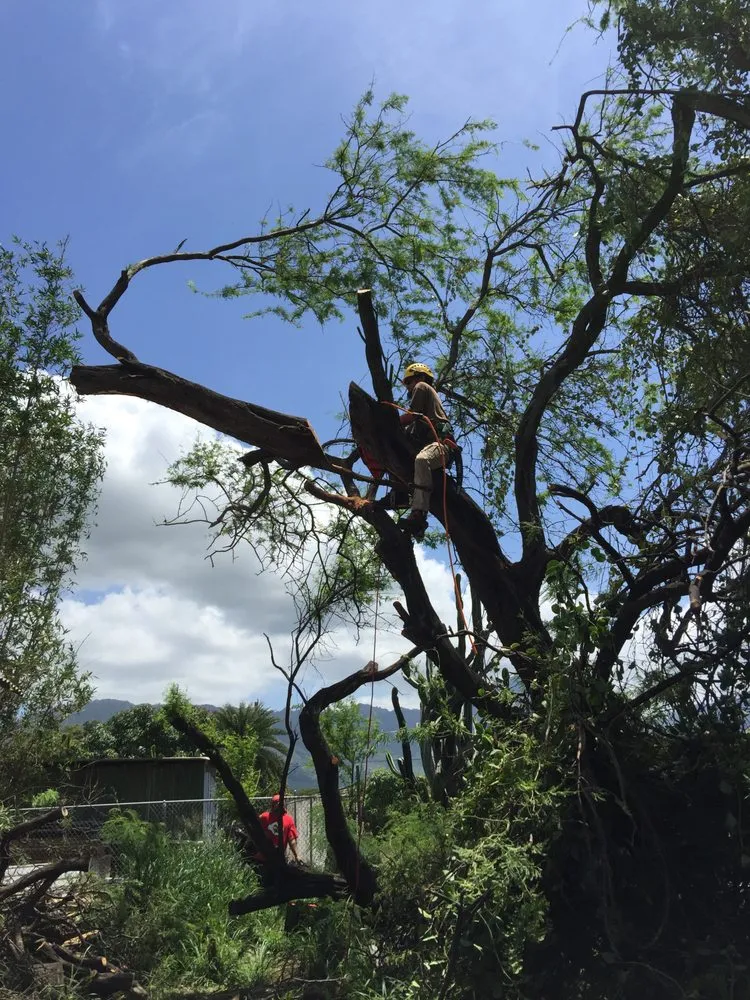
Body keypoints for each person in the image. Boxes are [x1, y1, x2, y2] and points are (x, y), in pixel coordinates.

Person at [398, 363, 454, 540]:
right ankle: (400, 498)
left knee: (422, 460)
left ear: (420, 378)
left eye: (409, 382)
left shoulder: (422, 387)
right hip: (430, 446)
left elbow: (410, 416)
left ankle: (419, 514)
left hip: (440, 446)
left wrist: (387, 420)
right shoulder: (423, 414)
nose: (408, 387)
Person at [258, 794, 301, 864]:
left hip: (278, 857)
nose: (279, 805)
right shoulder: (264, 817)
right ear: (273, 805)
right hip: (262, 856)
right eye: (276, 803)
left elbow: (291, 840)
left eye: (281, 803)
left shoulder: (288, 819)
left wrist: (297, 856)